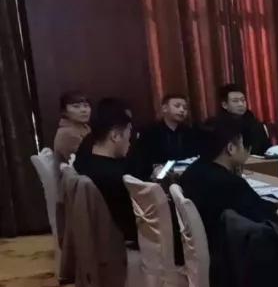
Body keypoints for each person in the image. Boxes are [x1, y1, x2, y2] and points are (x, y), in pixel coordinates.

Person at [178, 120, 278, 247]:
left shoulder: (190, 171)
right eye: (242, 144)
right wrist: (277, 210)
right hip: (226, 250)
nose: (246, 150)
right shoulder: (231, 183)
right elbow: (263, 215)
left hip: (200, 244)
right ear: (231, 148)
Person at [72, 98, 137, 245]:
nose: (129, 142)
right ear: (115, 136)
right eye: (128, 136)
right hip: (121, 239)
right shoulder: (115, 177)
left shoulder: (85, 163)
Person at [127, 94, 203, 180]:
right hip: (156, 178)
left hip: (186, 177)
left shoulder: (190, 132)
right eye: (177, 106)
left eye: (185, 108)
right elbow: (142, 160)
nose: (182, 110)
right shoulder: (150, 132)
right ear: (164, 108)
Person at [206, 83, 270, 155]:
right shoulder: (214, 125)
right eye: (235, 101)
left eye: (243, 100)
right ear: (224, 105)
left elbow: (268, 152)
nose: (241, 104)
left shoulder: (256, 125)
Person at [53, 90, 92, 163]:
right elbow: (84, 161)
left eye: (86, 106)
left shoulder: (84, 127)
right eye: (76, 106)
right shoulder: (67, 134)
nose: (83, 110)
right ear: (64, 111)